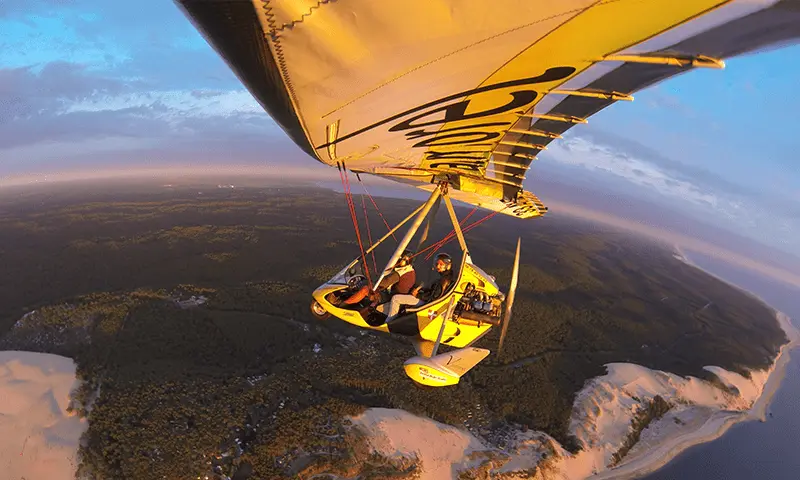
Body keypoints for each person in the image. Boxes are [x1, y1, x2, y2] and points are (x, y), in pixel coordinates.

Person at [384, 252, 454, 322]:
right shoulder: (446, 277)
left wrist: (417, 295)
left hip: (427, 303)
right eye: (437, 264)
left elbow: (433, 298)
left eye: (441, 264)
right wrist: (422, 290)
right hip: (427, 300)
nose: (438, 266)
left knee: (396, 298)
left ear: (447, 266)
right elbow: (434, 292)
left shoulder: (443, 281)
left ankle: (388, 322)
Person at [341, 250, 415, 305]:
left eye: (401, 259)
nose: (399, 261)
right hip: (397, 295)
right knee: (371, 286)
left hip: (390, 297)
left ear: (407, 261)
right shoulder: (410, 270)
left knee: (366, 289)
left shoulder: (401, 272)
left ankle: (345, 304)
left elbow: (385, 282)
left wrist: (370, 276)